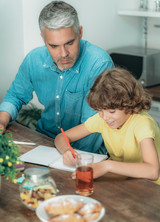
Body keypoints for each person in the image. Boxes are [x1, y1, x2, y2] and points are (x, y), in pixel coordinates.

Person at [0, 1, 113, 154]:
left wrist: (70, 157)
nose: (63, 53)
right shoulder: (34, 59)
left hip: (83, 151)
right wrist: (2, 119)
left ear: (80, 32)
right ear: (43, 39)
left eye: (70, 43)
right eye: (54, 46)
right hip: (43, 141)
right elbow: (16, 96)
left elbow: (92, 127)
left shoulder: (99, 64)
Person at [55, 67, 160, 184]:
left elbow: (153, 171)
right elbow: (62, 137)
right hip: (123, 180)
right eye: (100, 110)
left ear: (129, 104)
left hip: (151, 188)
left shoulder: (141, 123)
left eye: (111, 111)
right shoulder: (103, 119)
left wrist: (106, 166)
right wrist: (66, 151)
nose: (104, 117)